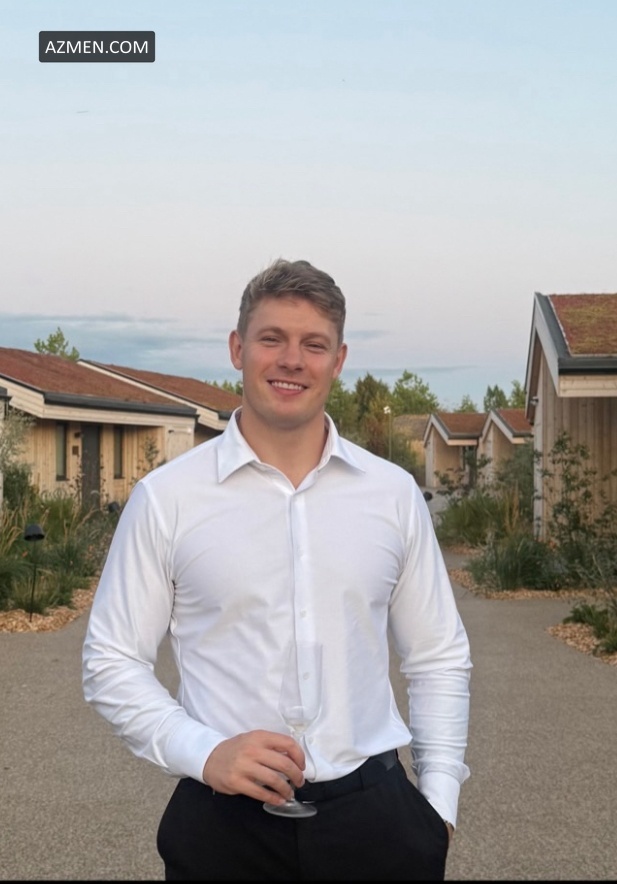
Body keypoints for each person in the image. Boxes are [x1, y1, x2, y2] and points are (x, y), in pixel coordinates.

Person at [82, 258, 472, 881]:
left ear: (338, 360)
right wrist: (203, 751)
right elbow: (111, 660)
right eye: (272, 339)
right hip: (223, 828)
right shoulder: (168, 499)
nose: (292, 360)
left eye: (314, 344)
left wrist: (438, 808)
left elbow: (437, 657)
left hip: (377, 823)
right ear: (238, 349)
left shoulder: (392, 495)